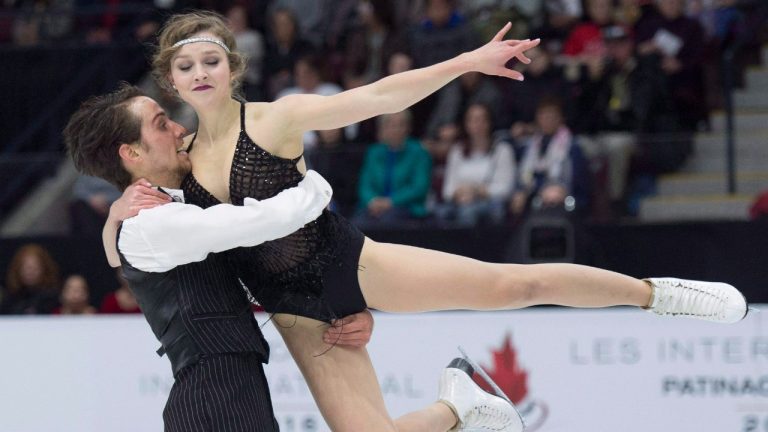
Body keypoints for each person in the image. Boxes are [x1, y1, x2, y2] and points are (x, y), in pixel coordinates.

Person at [137, 10, 748, 432]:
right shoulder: (179, 162)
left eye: (211, 60)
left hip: (353, 264)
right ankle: (461, 405)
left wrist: (465, 61)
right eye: (186, 66)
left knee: (516, 286)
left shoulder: (273, 120)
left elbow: (377, 97)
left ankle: (660, 295)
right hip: (297, 314)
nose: (200, 74)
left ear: (232, 67)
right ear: (172, 80)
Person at [64, 85, 375, 432]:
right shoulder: (152, 222)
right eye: (162, 124)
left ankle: (450, 409)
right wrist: (315, 186)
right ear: (132, 153)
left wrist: (338, 309)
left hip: (228, 392)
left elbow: (258, 273)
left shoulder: (170, 211)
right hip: (215, 396)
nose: (181, 130)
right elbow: (262, 222)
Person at [0, 243, 61, 315]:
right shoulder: (9, 299)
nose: (30, 272)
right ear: (17, 270)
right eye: (26, 267)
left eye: (35, 267)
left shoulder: (54, 299)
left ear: (45, 269)